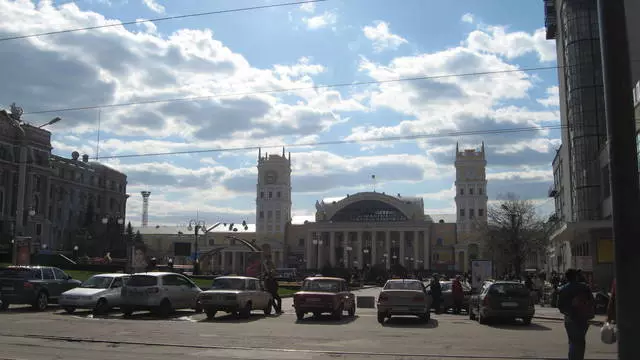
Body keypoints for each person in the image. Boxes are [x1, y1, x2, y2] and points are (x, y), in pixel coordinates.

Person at [557, 268, 595, 360]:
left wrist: (568, 311)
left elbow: (559, 306)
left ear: (566, 278)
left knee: (573, 341)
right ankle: (580, 357)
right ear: (576, 277)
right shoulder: (585, 287)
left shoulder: (563, 289)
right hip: (583, 317)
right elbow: (592, 301)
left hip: (570, 318)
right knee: (581, 340)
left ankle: (573, 358)